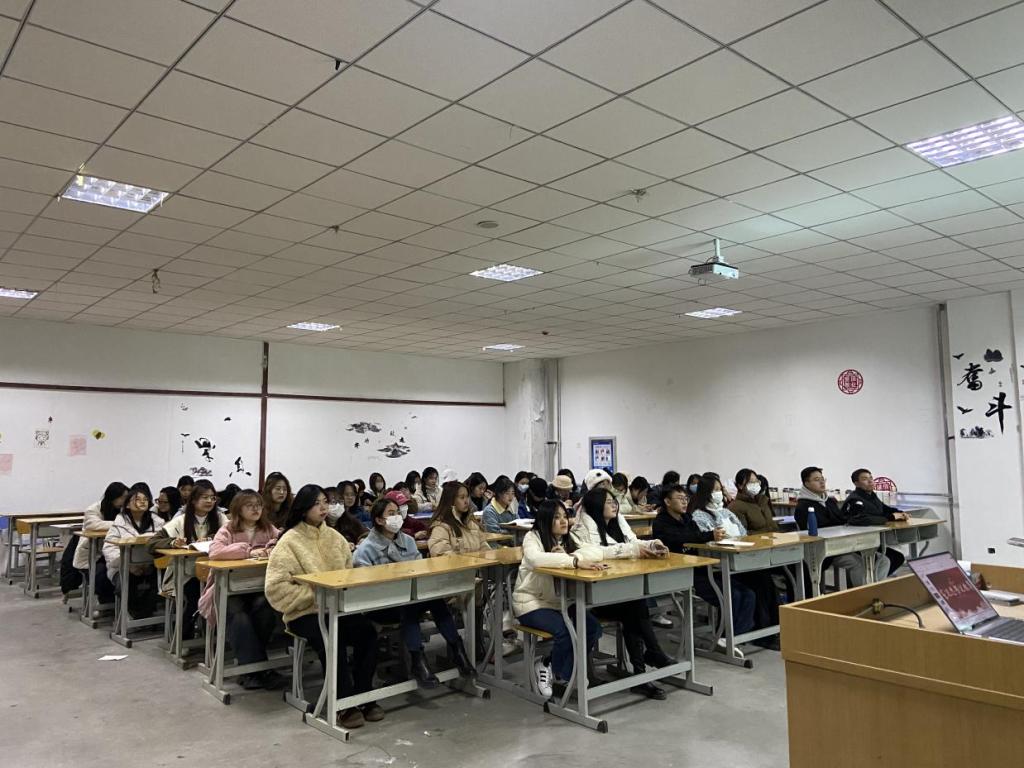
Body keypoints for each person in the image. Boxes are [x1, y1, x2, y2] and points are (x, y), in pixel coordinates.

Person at [514, 499, 667, 697]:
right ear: (545, 520)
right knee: (564, 631)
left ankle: (553, 666)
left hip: (560, 603)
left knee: (592, 627)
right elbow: (536, 559)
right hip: (531, 602)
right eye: (556, 517)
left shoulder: (569, 539)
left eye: (565, 516)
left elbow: (599, 551)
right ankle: (560, 674)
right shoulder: (532, 537)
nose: (563, 521)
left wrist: (639, 548)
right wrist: (573, 561)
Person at [265, 484, 381, 729]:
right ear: (303, 508)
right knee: (331, 638)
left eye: (325, 502)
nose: (323, 507)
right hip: (304, 613)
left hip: (337, 609)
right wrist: (315, 595)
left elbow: (348, 574)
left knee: (368, 633)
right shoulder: (289, 542)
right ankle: (343, 704)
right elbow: (275, 589)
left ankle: (364, 695)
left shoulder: (336, 538)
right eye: (317, 503)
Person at [353, 497, 474, 688]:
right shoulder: (365, 550)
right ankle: (418, 660)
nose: (397, 517)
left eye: (397, 513)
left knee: (436, 601)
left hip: (411, 597)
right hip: (380, 605)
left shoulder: (408, 541)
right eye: (391, 514)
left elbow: (420, 569)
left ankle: (458, 651)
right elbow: (364, 588)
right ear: (379, 520)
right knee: (408, 606)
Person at [571, 488, 674, 698]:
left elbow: (632, 543)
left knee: (635, 607)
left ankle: (642, 673)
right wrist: (631, 551)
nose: (614, 505)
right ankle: (651, 658)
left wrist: (652, 544)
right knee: (635, 607)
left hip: (618, 593)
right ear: (596, 505)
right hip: (591, 597)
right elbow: (596, 553)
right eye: (608, 502)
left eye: (614, 501)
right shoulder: (580, 530)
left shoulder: (617, 525)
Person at [652, 482, 754, 658]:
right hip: (681, 574)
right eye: (680, 498)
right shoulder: (661, 523)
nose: (684, 502)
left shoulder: (687, 518)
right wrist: (708, 535)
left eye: (686, 498)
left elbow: (695, 535)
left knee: (748, 594)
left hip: (701, 569)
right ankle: (726, 637)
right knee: (732, 595)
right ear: (667, 502)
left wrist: (709, 537)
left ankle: (731, 637)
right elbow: (681, 538)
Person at [198, 489, 283, 690]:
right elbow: (215, 552)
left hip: (257, 588)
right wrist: (248, 551)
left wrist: (272, 546)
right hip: (227, 590)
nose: (256, 509)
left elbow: (282, 542)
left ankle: (251, 671)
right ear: (238, 509)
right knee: (239, 617)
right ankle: (257, 671)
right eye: (249, 505)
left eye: (259, 505)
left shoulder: (267, 528)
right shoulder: (227, 530)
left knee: (266, 609)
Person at [148, 479, 228, 640]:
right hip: (184, 574)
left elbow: (233, 536)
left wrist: (212, 538)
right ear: (193, 500)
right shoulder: (181, 520)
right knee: (194, 596)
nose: (209, 501)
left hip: (213, 571)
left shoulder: (220, 518)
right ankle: (183, 639)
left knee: (223, 594)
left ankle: (215, 638)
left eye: (212, 498)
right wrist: (173, 542)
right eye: (204, 497)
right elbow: (152, 543)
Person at [795, 467, 889, 587]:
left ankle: (875, 590)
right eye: (817, 480)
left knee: (883, 561)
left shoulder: (829, 501)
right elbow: (818, 531)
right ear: (806, 483)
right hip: (824, 550)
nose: (822, 482)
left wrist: (852, 516)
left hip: (844, 544)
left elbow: (842, 520)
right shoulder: (803, 506)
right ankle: (863, 594)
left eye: (823, 479)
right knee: (859, 564)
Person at [102, 484, 165, 620]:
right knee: (124, 585)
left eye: (145, 499)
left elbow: (163, 545)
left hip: (152, 567)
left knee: (164, 582)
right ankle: (136, 615)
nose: (142, 502)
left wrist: (151, 565)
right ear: (127, 505)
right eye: (137, 499)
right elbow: (109, 548)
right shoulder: (119, 523)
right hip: (123, 568)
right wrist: (129, 566)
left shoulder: (158, 522)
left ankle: (143, 616)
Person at [842, 469, 908, 575]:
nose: (870, 481)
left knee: (898, 557)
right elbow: (860, 519)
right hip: (858, 543)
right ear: (856, 483)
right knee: (890, 559)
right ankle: (874, 581)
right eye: (865, 479)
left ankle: (878, 579)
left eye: (871, 478)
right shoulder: (855, 499)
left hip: (872, 541)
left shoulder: (871, 495)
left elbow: (884, 509)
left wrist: (900, 513)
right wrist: (891, 517)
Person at [73, 481, 128, 605]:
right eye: (122, 497)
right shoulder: (93, 509)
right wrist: (120, 524)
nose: (125, 500)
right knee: (102, 576)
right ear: (113, 497)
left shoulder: (123, 510)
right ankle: (107, 604)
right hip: (93, 557)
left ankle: (119, 605)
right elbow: (94, 525)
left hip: (113, 553)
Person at [728, 468, 779, 534]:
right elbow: (742, 533)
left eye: (756, 481)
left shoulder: (762, 501)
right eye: (751, 482)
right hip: (758, 539)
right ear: (740, 486)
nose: (755, 484)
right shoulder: (735, 507)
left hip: (772, 538)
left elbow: (771, 524)